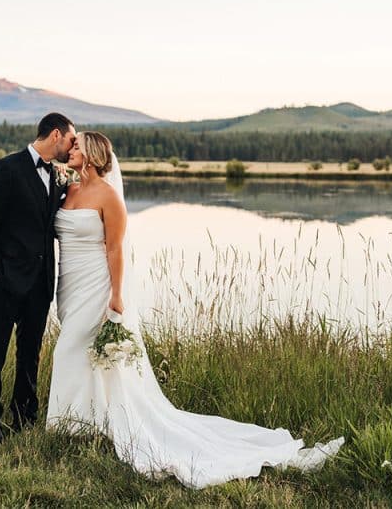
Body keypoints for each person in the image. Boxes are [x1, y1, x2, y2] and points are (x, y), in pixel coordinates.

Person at [46, 131, 344, 488]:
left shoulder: (108, 196)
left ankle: (69, 423)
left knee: (70, 350)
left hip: (98, 283)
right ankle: (86, 424)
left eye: (76, 146)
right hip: (70, 282)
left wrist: (116, 295)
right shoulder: (69, 189)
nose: (70, 150)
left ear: (92, 155)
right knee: (80, 354)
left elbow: (115, 249)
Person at [0, 112, 76, 441]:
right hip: (5, 282)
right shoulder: (7, 168)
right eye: (71, 140)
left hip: (40, 284)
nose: (72, 147)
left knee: (30, 353)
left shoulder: (58, 176)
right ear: (56, 135)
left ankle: (25, 415)